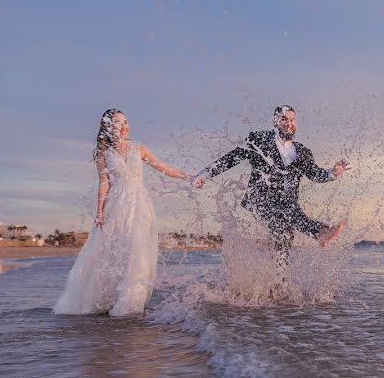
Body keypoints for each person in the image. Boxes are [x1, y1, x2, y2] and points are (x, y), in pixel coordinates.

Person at [54, 108, 190, 316]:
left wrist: (188, 177)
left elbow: (164, 168)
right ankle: (107, 299)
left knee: (137, 251)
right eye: (119, 122)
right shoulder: (104, 154)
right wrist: (99, 212)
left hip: (140, 206)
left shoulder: (139, 148)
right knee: (111, 251)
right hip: (116, 207)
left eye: (126, 122)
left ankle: (129, 303)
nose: (125, 126)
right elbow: (104, 184)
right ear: (108, 127)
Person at [193, 105, 349, 278]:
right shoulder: (258, 141)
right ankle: (319, 232)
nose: (289, 124)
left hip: (287, 207)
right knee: (286, 206)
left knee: (283, 239)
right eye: (284, 119)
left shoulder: (302, 152)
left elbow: (315, 174)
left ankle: (275, 289)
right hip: (258, 199)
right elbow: (231, 158)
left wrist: (333, 173)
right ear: (275, 122)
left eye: (292, 120)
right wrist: (203, 175)